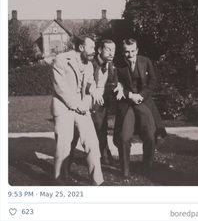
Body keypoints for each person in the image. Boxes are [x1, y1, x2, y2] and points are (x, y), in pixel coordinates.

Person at [51, 35, 104, 186]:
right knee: (64, 146)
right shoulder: (61, 59)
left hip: (81, 107)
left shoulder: (89, 64)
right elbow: (60, 88)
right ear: (81, 48)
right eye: (91, 47)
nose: (95, 51)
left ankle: (98, 182)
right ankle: (59, 181)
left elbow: (89, 84)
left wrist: (93, 92)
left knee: (92, 143)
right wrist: (77, 105)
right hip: (63, 107)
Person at [114, 38, 166, 179]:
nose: (130, 54)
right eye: (126, 51)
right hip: (127, 104)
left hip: (143, 102)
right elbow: (115, 85)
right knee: (124, 137)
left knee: (150, 135)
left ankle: (147, 167)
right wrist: (129, 94)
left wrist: (141, 96)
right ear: (123, 52)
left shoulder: (145, 61)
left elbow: (153, 81)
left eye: (132, 51)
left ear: (137, 50)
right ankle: (125, 170)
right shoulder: (118, 65)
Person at [91, 39, 124, 165]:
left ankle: (105, 155)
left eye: (114, 50)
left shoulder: (111, 65)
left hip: (104, 101)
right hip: (92, 100)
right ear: (100, 50)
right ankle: (104, 156)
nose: (112, 53)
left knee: (103, 128)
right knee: (100, 127)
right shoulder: (92, 64)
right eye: (108, 49)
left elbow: (115, 81)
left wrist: (119, 86)